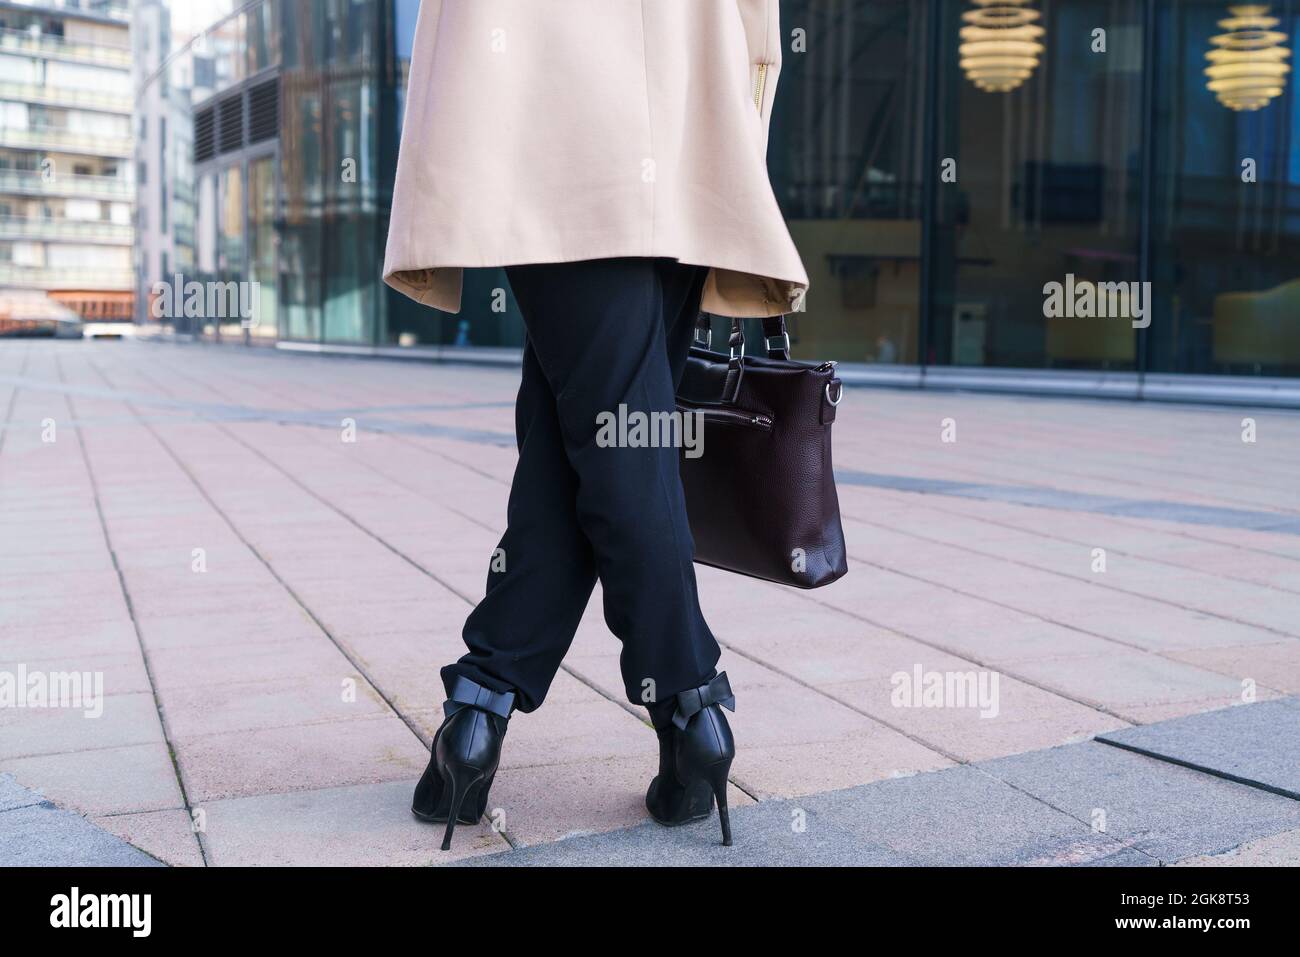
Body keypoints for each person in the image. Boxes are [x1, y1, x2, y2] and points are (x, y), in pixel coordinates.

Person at [383, 0, 808, 850]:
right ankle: (683, 721)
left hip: (548, 115)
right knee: (606, 437)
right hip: (689, 116)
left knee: (600, 438)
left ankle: (515, 708)